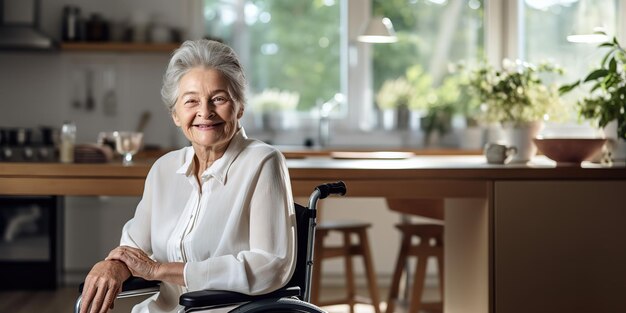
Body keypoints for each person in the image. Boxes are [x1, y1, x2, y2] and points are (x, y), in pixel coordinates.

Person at [79, 39, 297, 313]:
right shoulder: (164, 169)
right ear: (175, 114)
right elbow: (133, 248)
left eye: (218, 98)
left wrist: (160, 270)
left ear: (240, 107)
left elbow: (270, 265)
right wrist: (112, 264)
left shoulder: (263, 162)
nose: (204, 112)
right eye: (191, 100)